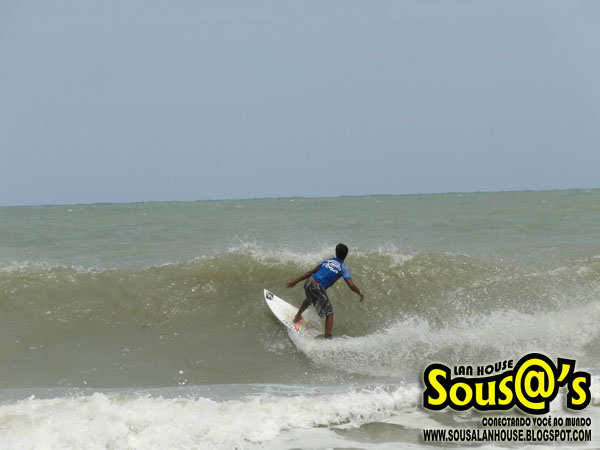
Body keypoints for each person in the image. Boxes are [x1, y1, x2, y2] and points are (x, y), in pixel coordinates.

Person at [286, 243, 364, 338]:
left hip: (308, 283)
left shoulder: (328, 261)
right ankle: (327, 338)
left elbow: (311, 272)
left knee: (309, 299)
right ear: (346, 254)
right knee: (329, 313)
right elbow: (351, 285)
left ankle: (297, 317)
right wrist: (360, 293)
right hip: (317, 287)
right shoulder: (344, 267)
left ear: (336, 252)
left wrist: (295, 281)